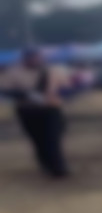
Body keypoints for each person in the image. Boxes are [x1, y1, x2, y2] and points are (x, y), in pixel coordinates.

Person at [0, 48, 71, 177]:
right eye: (33, 58)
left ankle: (58, 168)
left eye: (38, 57)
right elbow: (5, 90)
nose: (37, 60)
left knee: (52, 138)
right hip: (28, 111)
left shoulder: (51, 71)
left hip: (51, 109)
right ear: (26, 59)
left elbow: (66, 87)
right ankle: (45, 163)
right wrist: (25, 95)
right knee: (38, 140)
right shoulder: (14, 72)